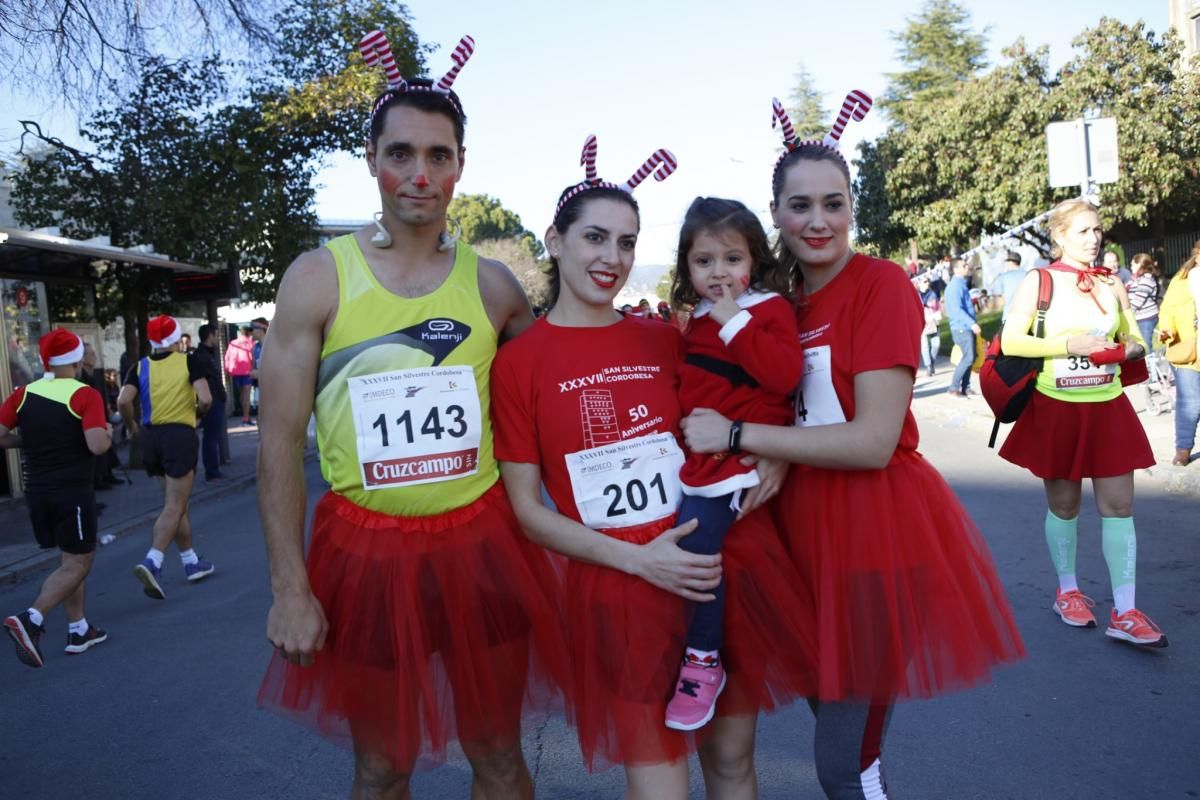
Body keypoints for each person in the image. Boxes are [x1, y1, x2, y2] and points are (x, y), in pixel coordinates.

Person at [254, 31, 570, 798]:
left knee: (496, 754)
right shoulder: (316, 280)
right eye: (401, 153)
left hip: (483, 545)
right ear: (371, 157)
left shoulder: (494, 288)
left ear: (461, 164)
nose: (420, 175)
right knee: (382, 765)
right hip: (366, 556)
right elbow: (276, 442)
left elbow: (562, 388)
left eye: (439, 156)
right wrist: (290, 589)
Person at [681, 95, 1024, 799]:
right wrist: (776, 446)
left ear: (852, 209)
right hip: (798, 541)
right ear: (775, 213)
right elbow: (785, 399)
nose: (817, 221)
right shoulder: (781, 303)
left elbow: (872, 440)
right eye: (800, 205)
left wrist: (743, 437)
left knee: (845, 758)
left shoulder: (881, 286)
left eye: (833, 203)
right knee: (840, 733)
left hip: (872, 535)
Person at [492, 138, 814, 799]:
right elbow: (528, 513)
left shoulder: (666, 336)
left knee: (730, 764)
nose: (611, 258)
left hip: (721, 566)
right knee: (660, 784)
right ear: (554, 240)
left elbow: (756, 396)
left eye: (627, 242)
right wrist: (640, 562)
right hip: (625, 585)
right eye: (594, 238)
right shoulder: (519, 363)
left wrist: (773, 453)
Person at [659, 196, 803, 731]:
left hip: (738, 458)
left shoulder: (767, 308)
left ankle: (703, 660)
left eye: (732, 259)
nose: (719, 273)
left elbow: (784, 375)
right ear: (686, 267)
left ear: (754, 261)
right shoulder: (693, 318)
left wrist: (732, 321)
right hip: (703, 457)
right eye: (704, 262)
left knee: (695, 544)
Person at [998, 199, 1165, 647]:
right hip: (1057, 407)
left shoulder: (1112, 282)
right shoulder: (1042, 280)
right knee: (1065, 507)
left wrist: (1129, 348)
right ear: (1060, 237)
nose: (1094, 238)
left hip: (1108, 405)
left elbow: (1132, 338)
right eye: (1083, 231)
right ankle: (1068, 590)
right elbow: (1013, 339)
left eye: (1097, 230)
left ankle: (1125, 611)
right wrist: (1070, 343)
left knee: (1120, 507)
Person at [1, 329, 112, 667]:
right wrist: (106, 434)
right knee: (80, 561)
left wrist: (28, 442)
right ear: (77, 360)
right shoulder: (84, 394)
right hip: (72, 491)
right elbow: (95, 444)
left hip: (37, 491)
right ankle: (32, 618)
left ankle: (78, 630)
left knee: (69, 560)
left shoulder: (22, 393)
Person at [118, 315, 215, 600]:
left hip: (150, 438)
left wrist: (131, 425)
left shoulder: (140, 366)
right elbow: (206, 398)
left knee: (176, 505)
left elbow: (123, 400)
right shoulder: (189, 360)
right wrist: (198, 415)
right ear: (175, 338)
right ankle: (153, 561)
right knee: (175, 506)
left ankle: (190, 562)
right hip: (178, 436)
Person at [1157, 240, 1200, 467]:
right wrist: (1166, 331)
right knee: (1190, 403)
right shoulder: (1181, 282)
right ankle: (1183, 449)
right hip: (1188, 352)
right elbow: (1167, 311)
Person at [81, 342, 121, 490]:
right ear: (83, 358)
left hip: (101, 415)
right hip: (91, 420)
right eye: (91, 354)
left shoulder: (95, 375)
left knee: (109, 445)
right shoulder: (82, 378)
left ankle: (107, 473)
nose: (94, 357)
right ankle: (97, 479)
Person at [194, 324, 227, 481]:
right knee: (210, 437)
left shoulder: (206, 354)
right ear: (210, 336)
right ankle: (212, 472)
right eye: (216, 335)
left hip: (215, 399)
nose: (217, 338)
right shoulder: (201, 356)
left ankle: (213, 470)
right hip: (211, 401)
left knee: (212, 436)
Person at [945, 257, 981, 396]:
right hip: (961, 327)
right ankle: (953, 388)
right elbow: (956, 310)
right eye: (963, 265)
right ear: (956, 269)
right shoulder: (955, 286)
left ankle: (965, 387)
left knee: (969, 356)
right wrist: (971, 323)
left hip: (965, 326)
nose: (967, 267)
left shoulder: (961, 283)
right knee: (968, 357)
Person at [1125, 253, 1161, 351]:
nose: (1131, 267)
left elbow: (1137, 302)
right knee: (1141, 343)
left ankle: (1150, 364)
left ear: (1140, 265)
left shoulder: (1146, 280)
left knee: (1146, 344)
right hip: (1139, 317)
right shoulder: (1136, 279)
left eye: (1133, 265)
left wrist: (1126, 314)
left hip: (1146, 318)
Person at [224, 325, 255, 425]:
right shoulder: (251, 343)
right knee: (246, 395)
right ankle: (246, 417)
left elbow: (227, 357)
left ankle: (244, 415)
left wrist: (227, 370)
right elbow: (253, 358)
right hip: (247, 371)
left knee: (242, 394)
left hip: (235, 371)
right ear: (249, 333)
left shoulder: (233, 343)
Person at [916, 275, 942, 377]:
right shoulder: (916, 295)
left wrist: (936, 315)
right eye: (925, 281)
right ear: (919, 283)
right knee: (925, 345)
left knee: (936, 343)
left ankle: (931, 362)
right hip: (922, 322)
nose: (927, 283)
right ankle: (928, 366)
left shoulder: (932, 294)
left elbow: (936, 306)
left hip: (933, 321)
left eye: (928, 281)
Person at [990, 251, 1026, 322]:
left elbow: (997, 300)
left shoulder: (1003, 277)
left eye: (1006, 261)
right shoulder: (1029, 274)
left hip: (1010, 317)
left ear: (1010, 262)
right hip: (1028, 316)